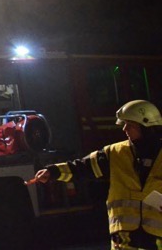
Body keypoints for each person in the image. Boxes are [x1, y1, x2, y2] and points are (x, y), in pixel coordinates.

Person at [32, 99, 162, 250]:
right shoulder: (115, 153)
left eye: (130, 125)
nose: (124, 129)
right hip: (125, 239)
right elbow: (83, 167)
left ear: (146, 126)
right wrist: (53, 171)